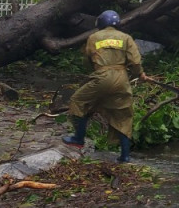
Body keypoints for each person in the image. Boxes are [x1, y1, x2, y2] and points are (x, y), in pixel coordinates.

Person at [63, 10, 151, 163]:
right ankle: (125, 156)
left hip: (102, 76)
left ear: (100, 23)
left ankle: (78, 138)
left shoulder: (93, 37)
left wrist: (98, 70)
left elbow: (87, 60)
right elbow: (135, 63)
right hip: (122, 79)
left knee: (78, 101)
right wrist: (140, 74)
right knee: (123, 116)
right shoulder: (126, 38)